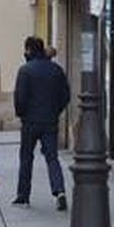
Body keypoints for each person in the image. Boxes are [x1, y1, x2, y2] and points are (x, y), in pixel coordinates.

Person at [13, 36, 70, 210]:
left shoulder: (25, 70)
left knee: (26, 158)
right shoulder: (56, 70)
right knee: (52, 157)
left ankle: (23, 195)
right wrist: (55, 111)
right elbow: (65, 96)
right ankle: (59, 190)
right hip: (50, 121)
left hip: (30, 121)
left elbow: (20, 98)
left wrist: (21, 114)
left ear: (29, 50)